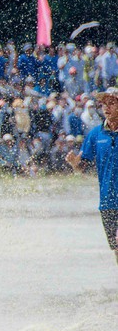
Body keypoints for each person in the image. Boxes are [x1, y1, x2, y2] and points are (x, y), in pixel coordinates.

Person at [66, 87, 118, 264]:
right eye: (104, 104)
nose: (106, 107)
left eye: (112, 103)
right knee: (116, 249)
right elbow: (83, 166)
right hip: (107, 202)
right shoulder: (95, 134)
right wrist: (75, 164)